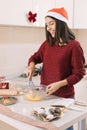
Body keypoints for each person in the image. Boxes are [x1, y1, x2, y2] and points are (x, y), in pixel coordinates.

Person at [27, 7, 86, 130]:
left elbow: (79, 73)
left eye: (51, 23)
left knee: (64, 128)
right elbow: (35, 57)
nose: (48, 28)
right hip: (46, 96)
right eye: (46, 25)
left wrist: (60, 84)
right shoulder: (47, 44)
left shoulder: (74, 46)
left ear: (61, 23)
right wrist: (31, 65)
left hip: (64, 99)